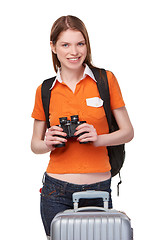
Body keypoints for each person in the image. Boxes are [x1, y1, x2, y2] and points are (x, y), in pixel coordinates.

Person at [31, 15, 134, 239]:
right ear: (53, 47)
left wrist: (98, 139)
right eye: (65, 44)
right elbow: (35, 144)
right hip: (55, 191)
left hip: (99, 189)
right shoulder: (45, 90)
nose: (74, 52)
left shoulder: (105, 80)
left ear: (87, 44)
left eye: (80, 43)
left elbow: (128, 132)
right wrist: (47, 142)